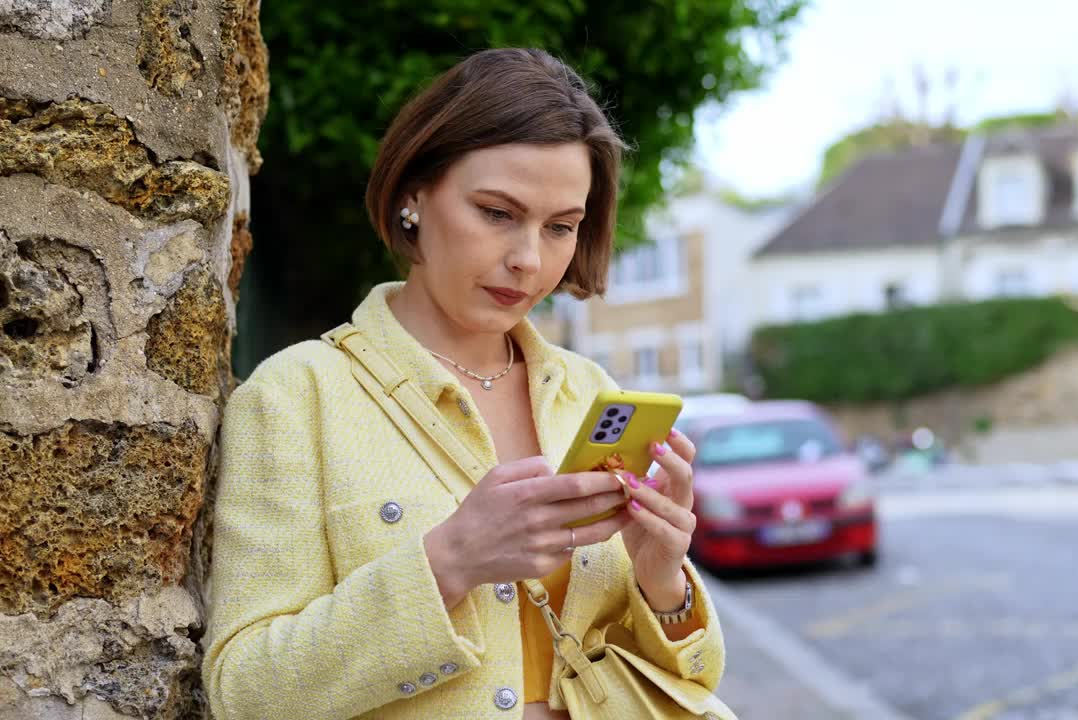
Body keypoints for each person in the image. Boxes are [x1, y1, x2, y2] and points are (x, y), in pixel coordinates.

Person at [199, 48, 725, 719]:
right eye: (497, 212)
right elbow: (245, 692)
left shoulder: (591, 392)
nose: (528, 260)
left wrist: (661, 579)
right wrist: (449, 561)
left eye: (561, 226)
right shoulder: (297, 395)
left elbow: (692, 679)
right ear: (414, 196)